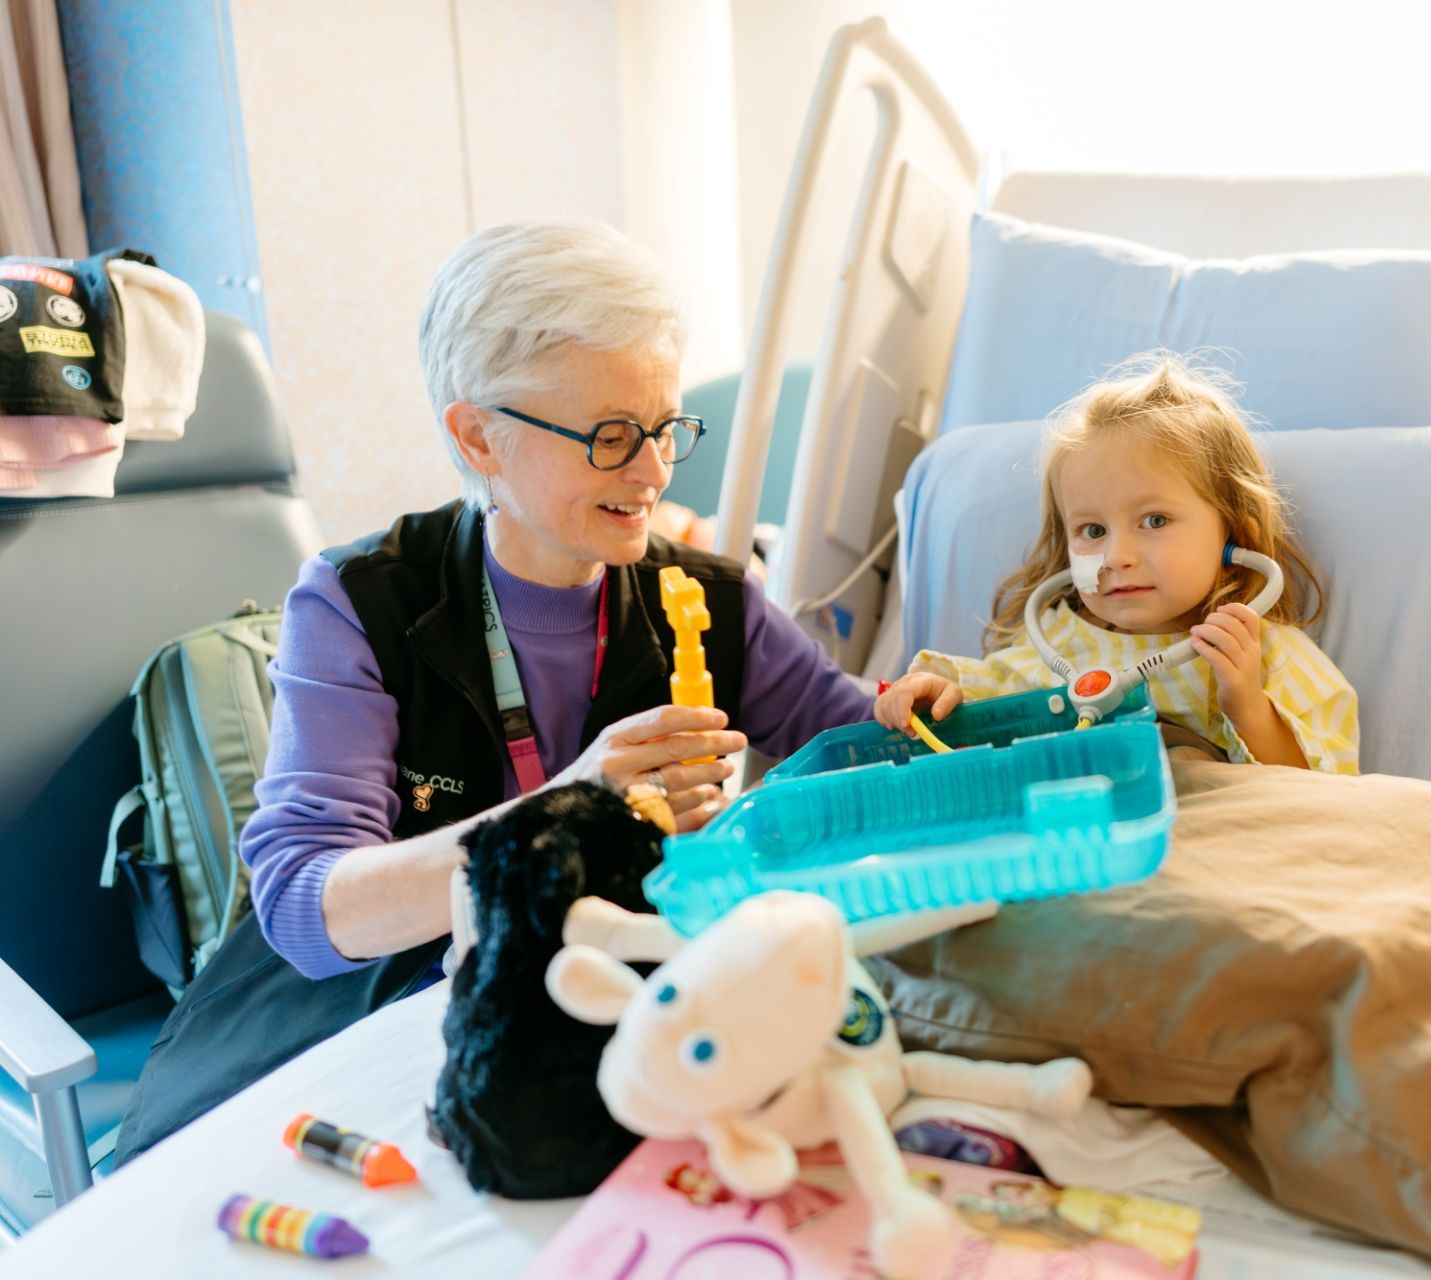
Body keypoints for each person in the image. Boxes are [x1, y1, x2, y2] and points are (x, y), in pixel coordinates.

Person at [117, 219, 871, 1159]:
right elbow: (312, 911)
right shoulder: (362, 603)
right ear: (479, 435)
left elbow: (862, 752)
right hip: (367, 1021)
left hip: (607, 1019)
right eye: (608, 436)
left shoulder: (711, 601)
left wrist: (922, 711)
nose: (652, 471)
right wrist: (564, 807)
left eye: (663, 427)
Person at [876, 355, 1358, 771]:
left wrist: (1248, 707)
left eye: (1154, 520)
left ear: (1234, 538)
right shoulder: (1056, 645)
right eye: (1093, 531)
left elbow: (1320, 789)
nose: (1117, 558)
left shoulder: (1268, 656)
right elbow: (984, 704)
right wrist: (931, 694)